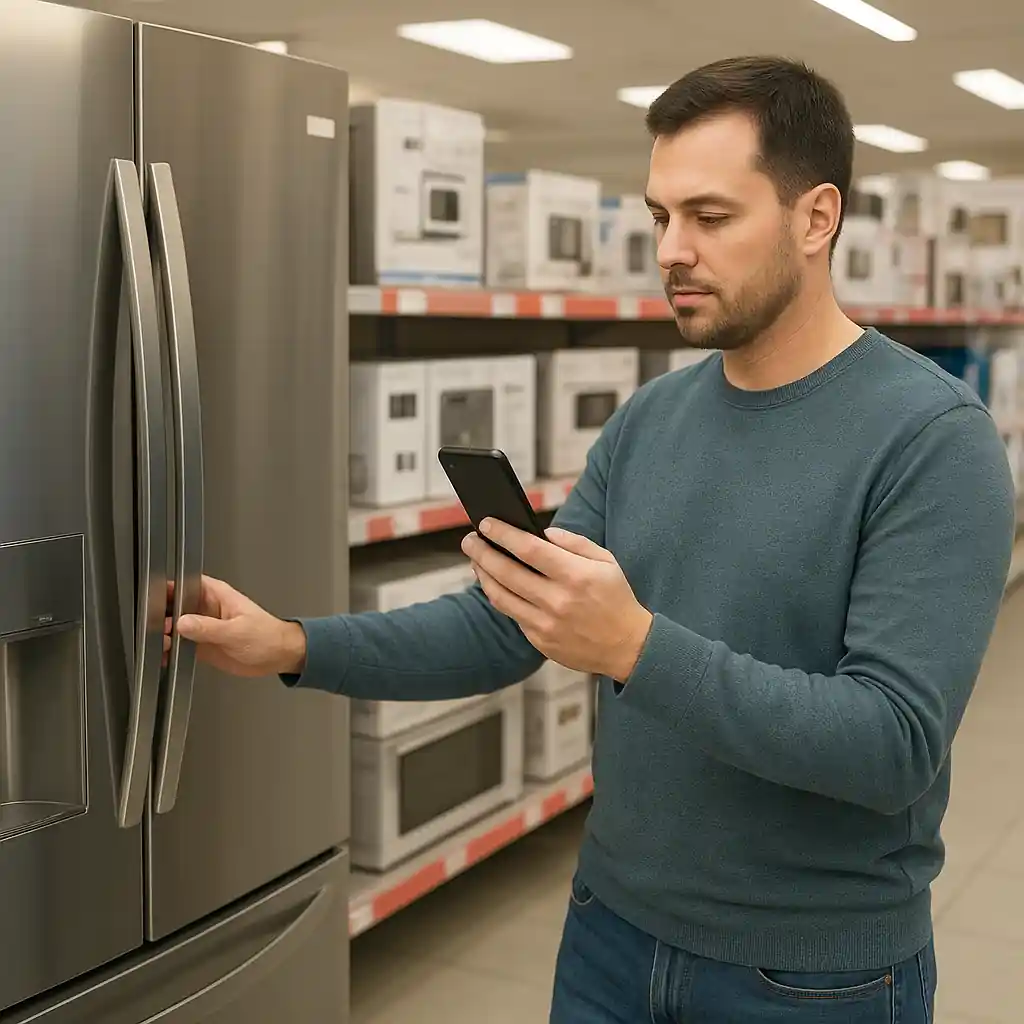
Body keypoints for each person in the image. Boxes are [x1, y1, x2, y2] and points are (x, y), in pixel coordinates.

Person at [173, 56, 1015, 1022]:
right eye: (661, 217)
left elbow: (892, 744)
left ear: (815, 218)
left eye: (711, 217)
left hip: (809, 977)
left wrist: (634, 647)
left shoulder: (931, 441)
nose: (672, 250)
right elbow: (506, 628)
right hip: (610, 936)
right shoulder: (650, 420)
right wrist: (291, 643)